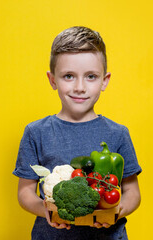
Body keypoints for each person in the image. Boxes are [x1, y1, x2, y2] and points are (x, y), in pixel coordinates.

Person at [13, 26, 141, 240]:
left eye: (91, 76)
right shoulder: (36, 132)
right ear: (52, 80)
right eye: (69, 76)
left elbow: (133, 193)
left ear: (104, 80)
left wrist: (116, 212)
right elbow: (25, 192)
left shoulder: (118, 134)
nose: (80, 87)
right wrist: (45, 210)